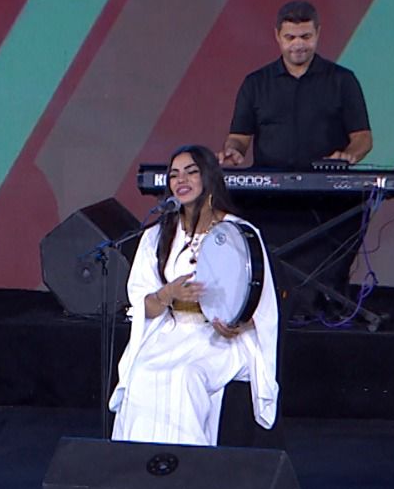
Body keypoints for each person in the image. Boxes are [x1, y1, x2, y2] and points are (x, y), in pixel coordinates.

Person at [110, 145, 279, 445]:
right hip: (171, 330)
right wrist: (167, 294)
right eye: (174, 175)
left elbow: (262, 305)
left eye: (191, 172)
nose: (181, 180)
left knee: (186, 376)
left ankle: (187, 467)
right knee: (143, 373)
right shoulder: (156, 236)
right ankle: (140, 465)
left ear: (208, 177)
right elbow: (143, 305)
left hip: (218, 337)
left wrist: (236, 325)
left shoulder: (239, 233)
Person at [219, 0, 373, 326]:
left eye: (305, 37)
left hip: (329, 198)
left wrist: (349, 155)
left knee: (349, 221)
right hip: (268, 197)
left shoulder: (342, 80)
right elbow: (239, 138)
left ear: (318, 34)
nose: (298, 44)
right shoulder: (256, 83)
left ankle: (326, 302)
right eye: (290, 37)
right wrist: (233, 151)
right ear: (277, 36)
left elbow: (363, 137)